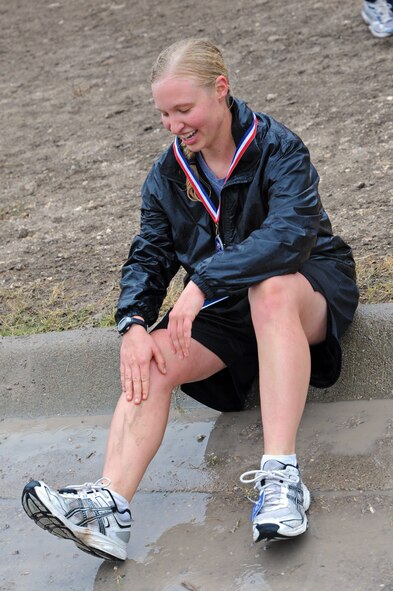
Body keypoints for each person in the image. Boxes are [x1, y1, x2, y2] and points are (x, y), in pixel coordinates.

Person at [21, 38, 359, 561]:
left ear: (220, 90)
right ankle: (110, 505)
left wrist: (201, 283)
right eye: (164, 114)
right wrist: (133, 322)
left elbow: (291, 236)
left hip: (303, 284)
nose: (175, 124)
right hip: (227, 307)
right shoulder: (166, 175)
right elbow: (150, 254)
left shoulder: (278, 146)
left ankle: (281, 480)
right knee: (150, 356)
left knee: (268, 290)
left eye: (184, 109)